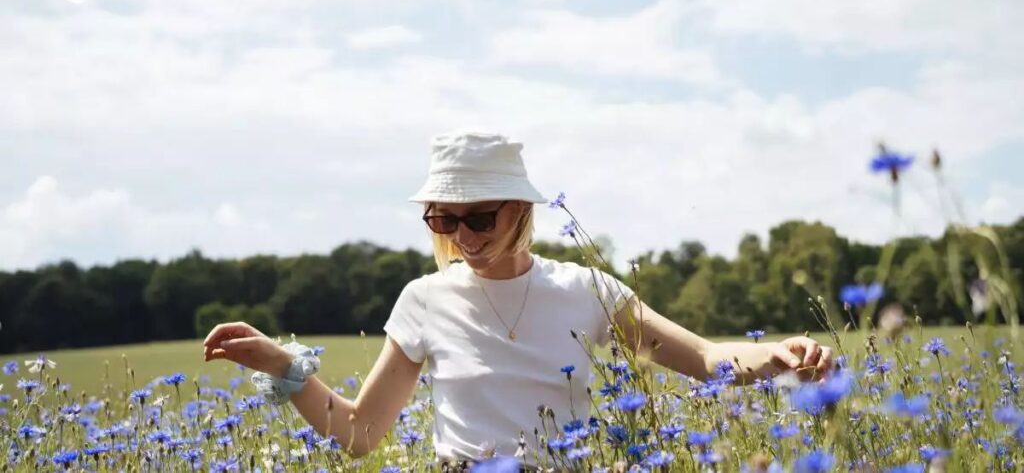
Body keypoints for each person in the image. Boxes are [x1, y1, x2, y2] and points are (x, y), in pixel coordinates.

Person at [203, 130, 834, 469]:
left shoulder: (586, 287)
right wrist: (283, 368)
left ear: (520, 209)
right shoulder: (423, 300)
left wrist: (777, 352)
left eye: (478, 217)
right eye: (443, 221)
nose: (463, 237)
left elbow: (702, 359)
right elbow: (362, 433)